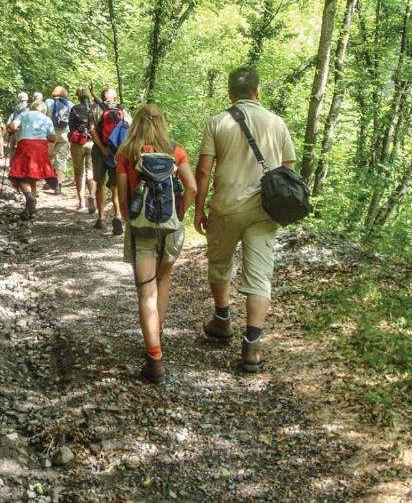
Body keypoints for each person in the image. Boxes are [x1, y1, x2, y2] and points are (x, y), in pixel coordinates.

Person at [194, 68, 296, 373]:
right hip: (265, 210)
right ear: (258, 92)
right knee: (259, 276)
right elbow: (289, 169)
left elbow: (203, 170)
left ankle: (222, 320)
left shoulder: (218, 122)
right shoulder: (277, 123)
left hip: (226, 206)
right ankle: (252, 346)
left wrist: (198, 209)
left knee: (220, 263)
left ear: (229, 93)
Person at [116, 105, 197, 384]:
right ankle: (156, 332)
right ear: (162, 123)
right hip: (171, 227)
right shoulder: (176, 150)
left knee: (145, 291)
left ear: (136, 123)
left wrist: (130, 220)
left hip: (142, 229)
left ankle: (155, 358)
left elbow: (123, 197)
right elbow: (193, 188)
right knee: (163, 279)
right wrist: (180, 213)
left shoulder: (126, 153)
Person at [7, 99, 57, 219]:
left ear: (32, 107)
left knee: (20, 175)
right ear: (44, 109)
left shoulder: (24, 114)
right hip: (40, 147)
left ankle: (29, 197)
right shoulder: (46, 119)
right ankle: (31, 208)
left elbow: (13, 126)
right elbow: (53, 138)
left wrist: (12, 128)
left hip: (25, 145)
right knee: (32, 176)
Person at [90, 87, 129, 235]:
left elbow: (92, 129)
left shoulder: (95, 108)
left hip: (100, 151)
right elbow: (128, 129)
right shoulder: (122, 109)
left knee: (99, 182)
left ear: (102, 96)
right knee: (115, 186)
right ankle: (118, 215)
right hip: (117, 152)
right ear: (114, 96)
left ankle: (101, 218)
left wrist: (101, 147)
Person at [68, 87, 97, 212]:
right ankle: (92, 196)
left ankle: (81, 202)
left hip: (78, 143)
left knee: (79, 173)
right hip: (92, 143)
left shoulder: (75, 109)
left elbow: (70, 127)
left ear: (78, 96)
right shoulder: (95, 108)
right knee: (91, 172)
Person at [46, 86, 72, 195]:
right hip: (65, 133)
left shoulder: (48, 102)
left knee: (47, 156)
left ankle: (50, 179)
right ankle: (58, 186)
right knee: (61, 159)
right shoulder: (70, 104)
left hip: (51, 133)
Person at [6, 92, 29, 158]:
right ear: (27, 98)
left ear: (19, 99)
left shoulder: (16, 107)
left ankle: (11, 164)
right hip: (25, 131)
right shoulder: (29, 107)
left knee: (13, 148)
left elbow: (12, 118)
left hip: (14, 129)